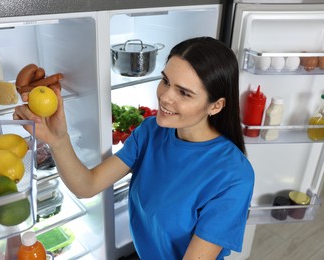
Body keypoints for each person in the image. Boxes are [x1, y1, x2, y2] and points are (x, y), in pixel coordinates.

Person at [14, 36, 254, 260]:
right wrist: (58, 139)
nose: (165, 97)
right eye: (165, 81)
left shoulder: (234, 176)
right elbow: (86, 186)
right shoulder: (151, 131)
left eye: (183, 92)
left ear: (216, 106)